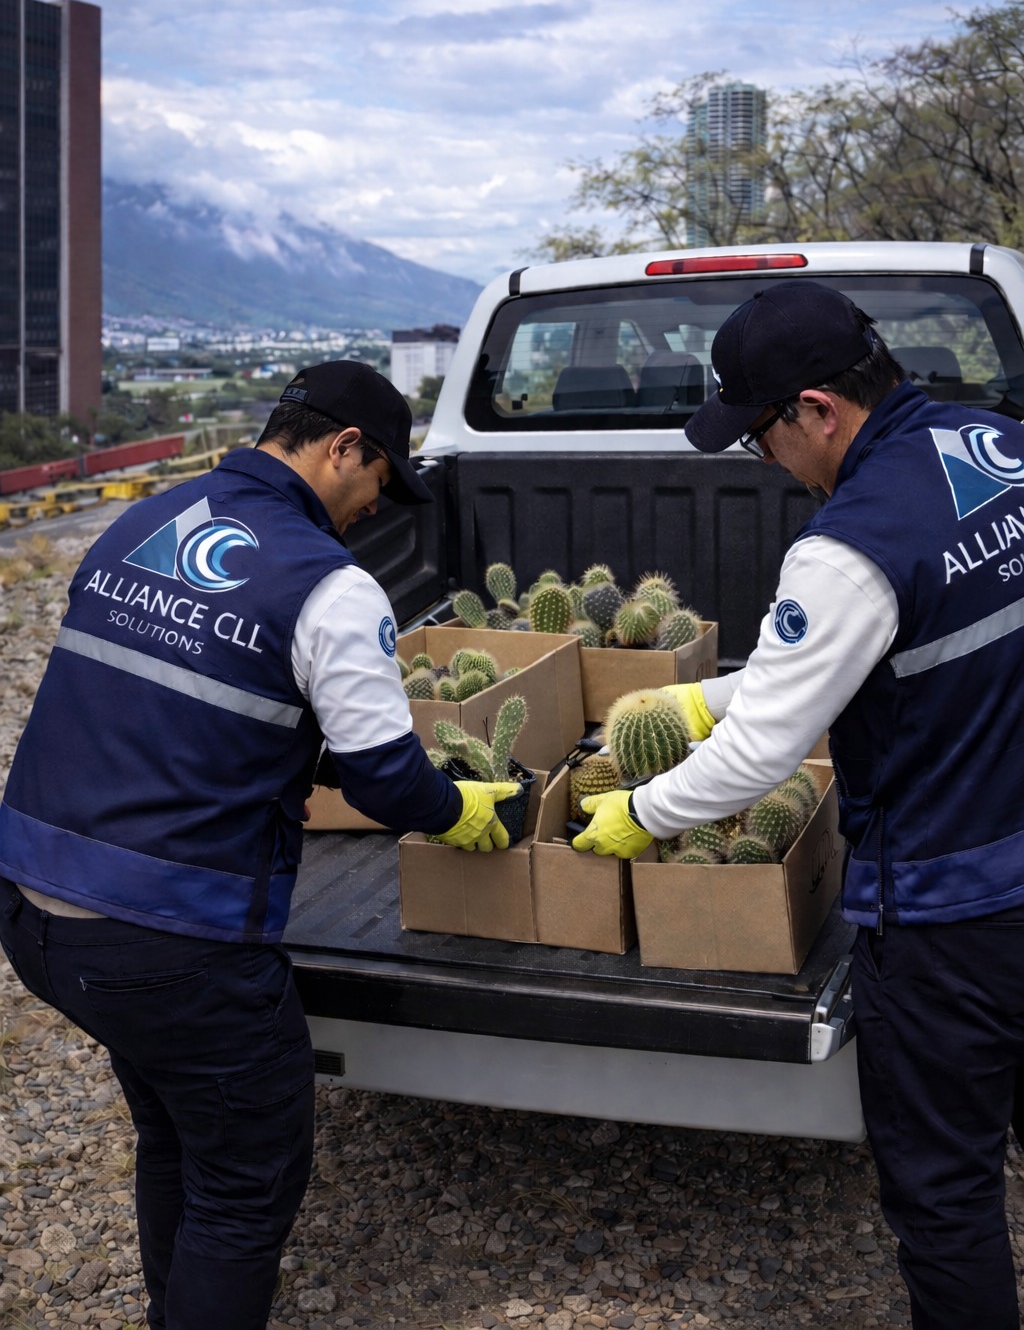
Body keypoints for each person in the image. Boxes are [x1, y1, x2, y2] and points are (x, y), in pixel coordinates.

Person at [0, 360, 519, 1330]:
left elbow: (172, 704)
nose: (374, 509)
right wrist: (461, 810)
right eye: (377, 484)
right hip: (170, 943)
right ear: (343, 449)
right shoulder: (327, 585)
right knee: (245, 1185)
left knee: (175, 1139)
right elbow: (383, 778)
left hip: (34, 907)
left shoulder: (143, 523)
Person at [572, 280, 1024, 1330]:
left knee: (947, 1193)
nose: (764, 463)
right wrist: (700, 694)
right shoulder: (995, 447)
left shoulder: (846, 546)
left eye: (758, 437)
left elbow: (757, 758)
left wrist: (638, 813)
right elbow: (866, 654)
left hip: (953, 917)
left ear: (816, 410)